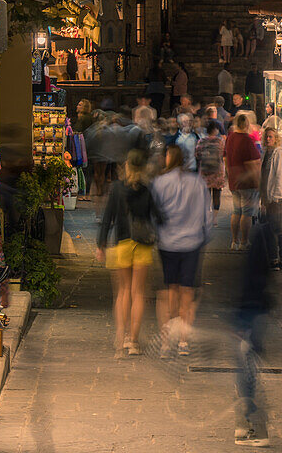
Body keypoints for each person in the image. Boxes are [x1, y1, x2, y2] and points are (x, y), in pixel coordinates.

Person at [97, 150, 164, 358]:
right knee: (138, 293)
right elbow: (159, 217)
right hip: (142, 245)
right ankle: (134, 342)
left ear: (127, 166)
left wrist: (101, 244)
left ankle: (122, 336)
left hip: (121, 243)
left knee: (123, 292)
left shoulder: (117, 188)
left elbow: (107, 218)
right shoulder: (147, 189)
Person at [151, 144, 210, 356]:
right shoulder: (197, 182)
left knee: (169, 291)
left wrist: (157, 233)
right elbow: (207, 215)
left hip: (167, 243)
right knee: (188, 292)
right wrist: (204, 236)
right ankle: (183, 342)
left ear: (169, 157)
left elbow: (154, 213)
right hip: (192, 243)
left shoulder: (159, 182)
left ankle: (166, 342)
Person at [233, 218, 275, 446]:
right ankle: (245, 424)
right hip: (254, 313)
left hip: (250, 315)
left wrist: (240, 321)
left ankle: (257, 427)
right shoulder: (263, 250)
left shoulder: (254, 255)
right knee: (246, 371)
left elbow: (250, 286)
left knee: (247, 373)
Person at [225, 113, 261, 250]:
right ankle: (244, 241)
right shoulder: (246, 140)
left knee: (236, 211)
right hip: (247, 183)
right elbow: (253, 163)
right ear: (246, 125)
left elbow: (225, 158)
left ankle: (234, 241)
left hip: (234, 181)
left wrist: (229, 173)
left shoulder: (230, 138)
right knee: (246, 213)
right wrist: (258, 182)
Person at [260, 127, 282, 269]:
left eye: (271, 137)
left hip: (278, 195)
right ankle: (274, 258)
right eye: (266, 137)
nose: (268, 139)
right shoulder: (267, 153)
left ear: (276, 139)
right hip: (269, 196)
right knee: (271, 226)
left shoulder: (279, 153)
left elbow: (280, 176)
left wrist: (274, 196)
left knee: (276, 226)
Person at [196, 121, 226, 225]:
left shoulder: (201, 141)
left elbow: (197, 155)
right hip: (217, 172)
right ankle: (214, 219)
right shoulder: (220, 141)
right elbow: (223, 154)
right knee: (217, 195)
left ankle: (206, 217)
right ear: (215, 130)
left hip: (205, 172)